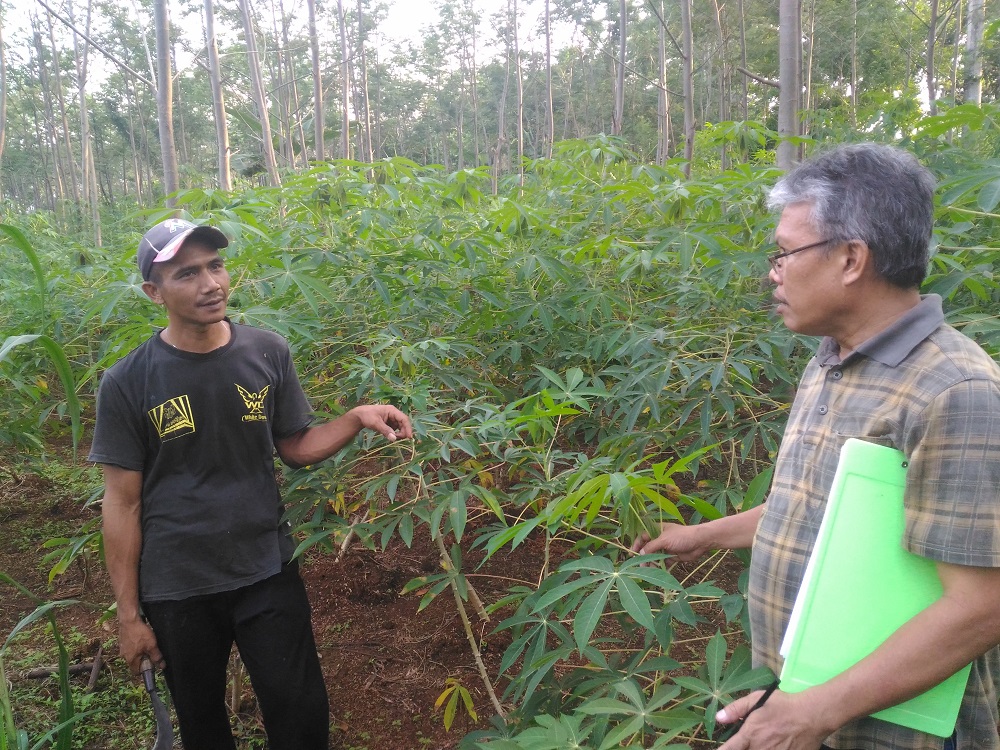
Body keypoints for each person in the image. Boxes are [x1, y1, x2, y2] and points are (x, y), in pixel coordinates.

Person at [633, 144, 1000, 750]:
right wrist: (700, 536)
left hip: (896, 733)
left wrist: (815, 712)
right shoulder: (831, 361)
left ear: (852, 258)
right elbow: (815, 513)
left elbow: (982, 605)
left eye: (785, 253)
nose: (772, 272)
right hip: (809, 700)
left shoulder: (955, 391)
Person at [89, 218, 413, 750]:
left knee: (301, 713)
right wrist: (129, 615)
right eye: (187, 273)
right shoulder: (128, 381)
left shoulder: (265, 351)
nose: (210, 283)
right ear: (154, 292)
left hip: (266, 567)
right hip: (178, 583)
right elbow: (122, 503)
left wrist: (355, 418)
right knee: (203, 727)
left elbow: (295, 445)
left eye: (215, 266)